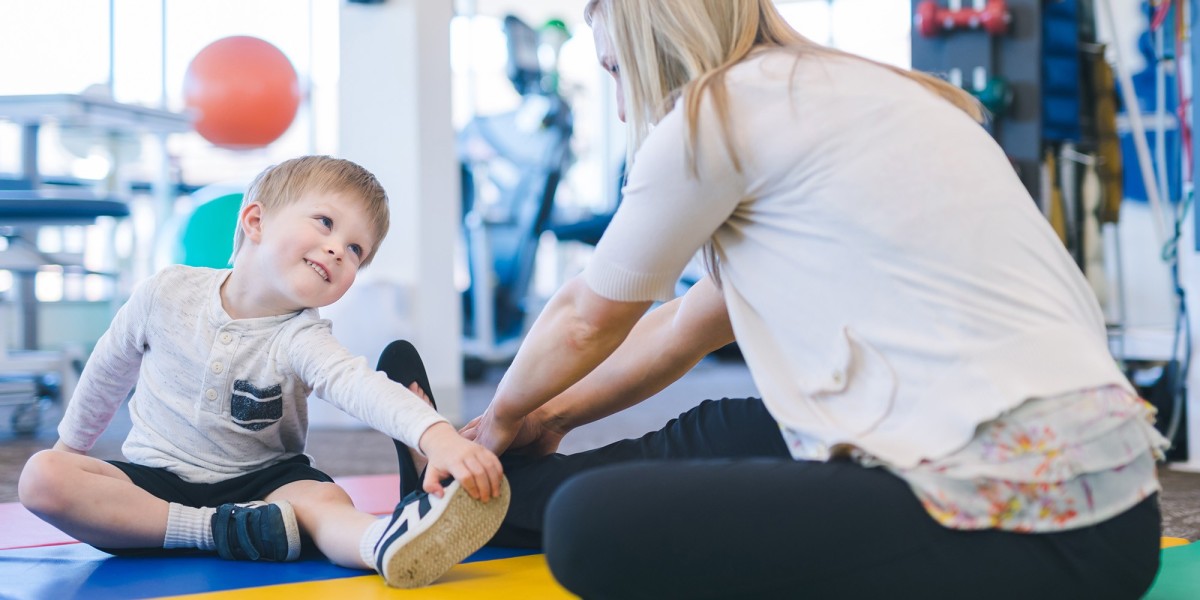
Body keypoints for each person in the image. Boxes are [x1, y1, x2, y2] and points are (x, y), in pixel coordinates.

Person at [458, 1, 1170, 598]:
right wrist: (546, 416)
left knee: (589, 525)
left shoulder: (714, 117)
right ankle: (485, 500)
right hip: (1115, 502)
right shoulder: (860, 91)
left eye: (617, 70)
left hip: (1040, 529)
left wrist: (497, 419)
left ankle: (488, 491)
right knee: (730, 426)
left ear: (654, 40)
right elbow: (685, 326)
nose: (619, 104)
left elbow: (588, 317)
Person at [18, 155, 509, 589]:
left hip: (265, 487)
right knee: (43, 477)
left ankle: (385, 542)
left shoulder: (303, 335)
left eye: (357, 250)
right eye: (325, 222)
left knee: (322, 501)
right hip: (155, 485)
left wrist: (438, 437)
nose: (340, 249)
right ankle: (212, 531)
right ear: (255, 220)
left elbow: (360, 386)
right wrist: (72, 453)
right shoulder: (165, 292)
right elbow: (107, 373)